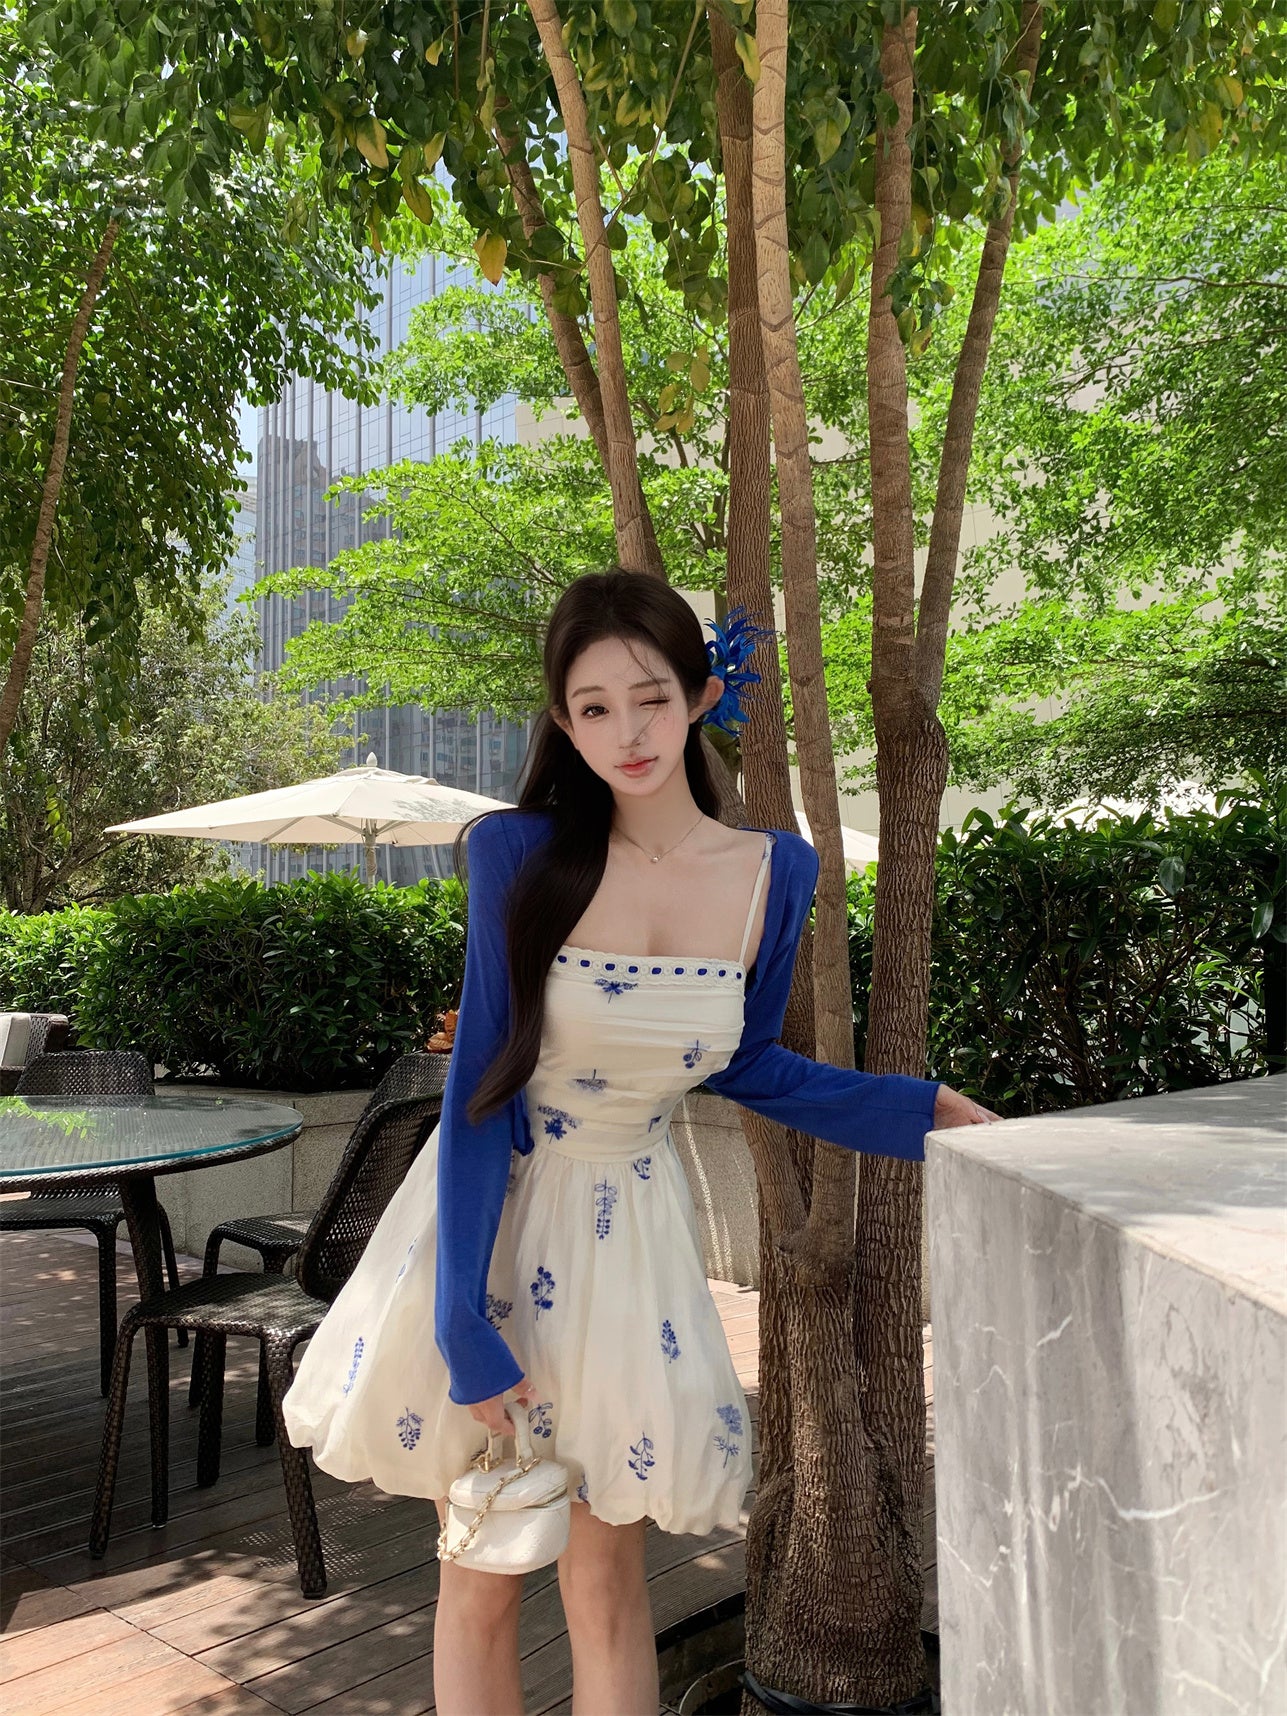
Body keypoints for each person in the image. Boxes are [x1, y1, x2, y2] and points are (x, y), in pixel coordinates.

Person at [282, 569, 999, 1715]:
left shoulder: (774, 874)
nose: (628, 731)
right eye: (595, 706)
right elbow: (479, 1093)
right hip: (497, 1228)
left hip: (629, 1242)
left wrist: (921, 1110)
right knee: (482, 1569)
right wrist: (462, 1323)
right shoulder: (516, 854)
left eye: (651, 698)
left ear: (703, 695)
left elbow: (755, 1066)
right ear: (563, 723)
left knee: (608, 1579)